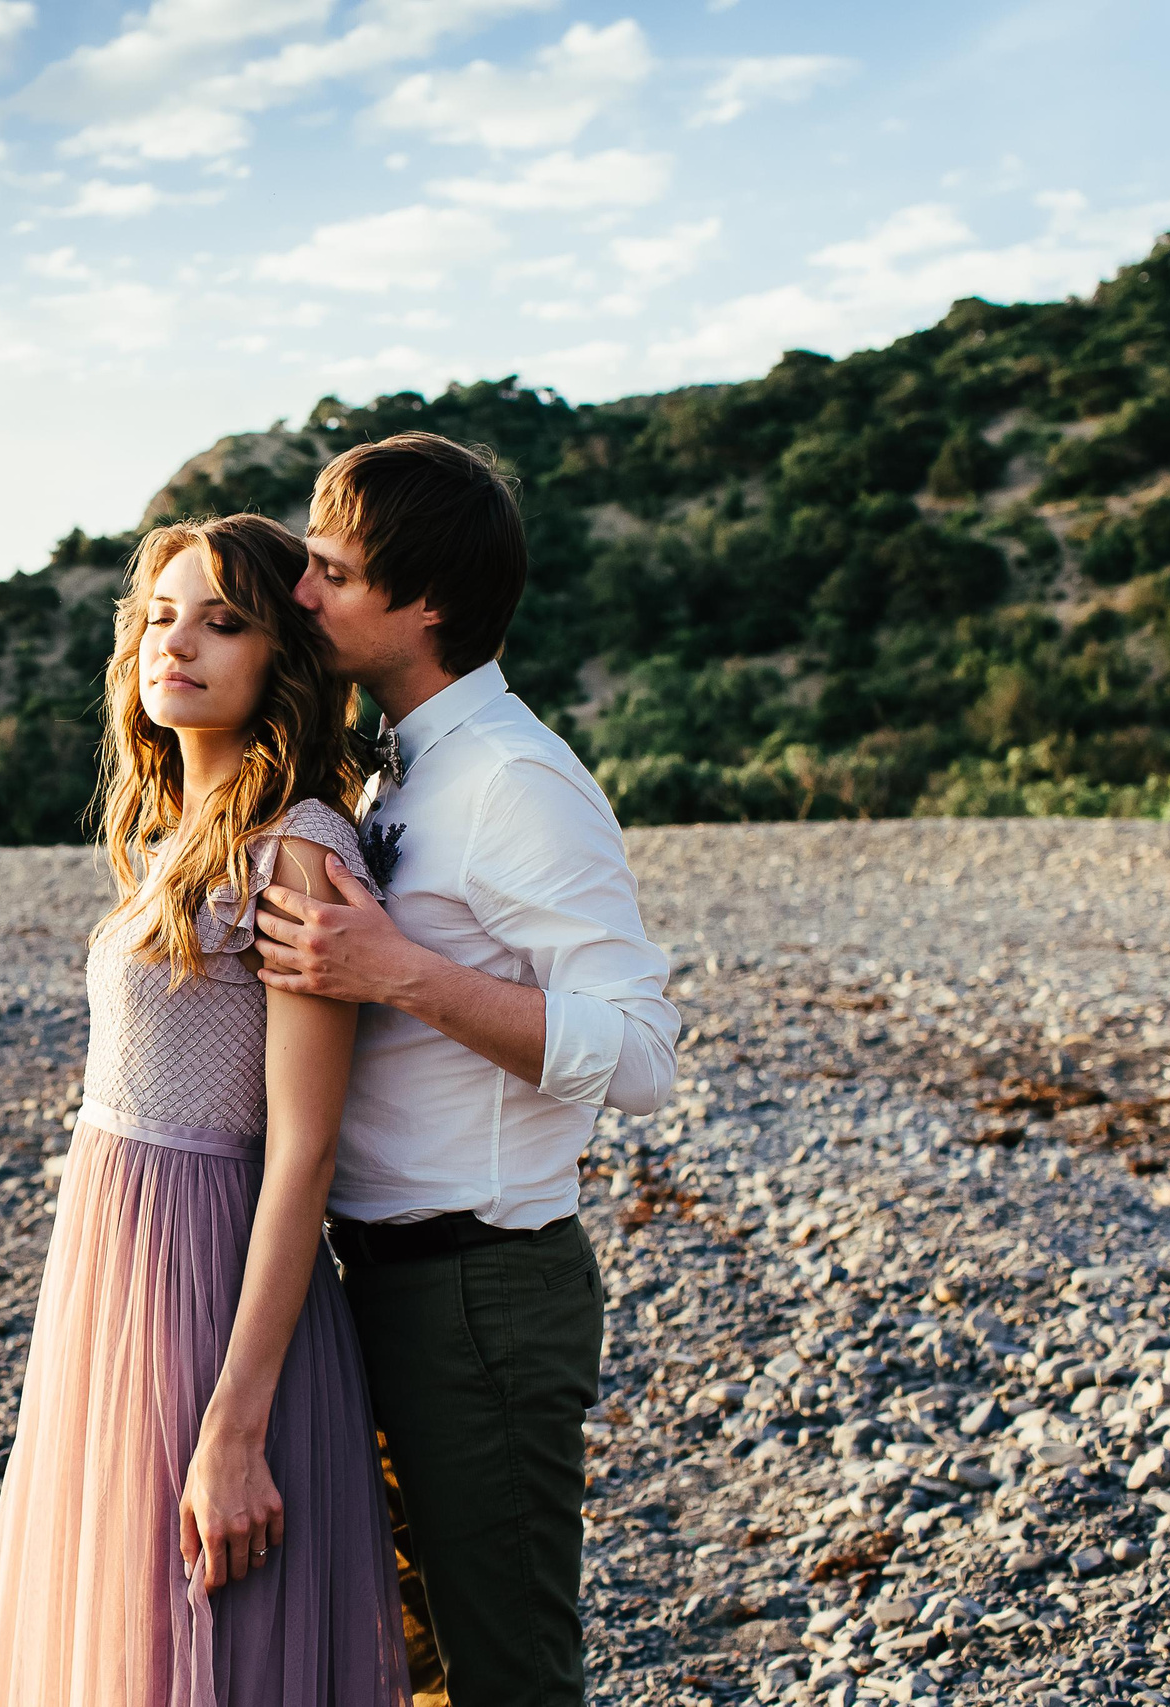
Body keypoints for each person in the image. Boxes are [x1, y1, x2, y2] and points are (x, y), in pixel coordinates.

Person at [252, 432, 680, 1706]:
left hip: (479, 1295)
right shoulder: (407, 764)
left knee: (505, 1677)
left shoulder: (515, 781)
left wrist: (401, 973)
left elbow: (643, 1054)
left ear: (424, 602)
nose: (303, 594)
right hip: (379, 1284)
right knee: (413, 1668)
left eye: (330, 571)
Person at [0, 513, 410, 1707]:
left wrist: (236, 1426)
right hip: (110, 1276)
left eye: (223, 621)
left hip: (207, 1287)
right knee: (123, 1637)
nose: (179, 644)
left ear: (281, 660)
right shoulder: (171, 839)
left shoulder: (294, 849)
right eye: (161, 616)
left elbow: (302, 1145)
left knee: (209, 1642)